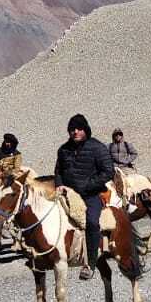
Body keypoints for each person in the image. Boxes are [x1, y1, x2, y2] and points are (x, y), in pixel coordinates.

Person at [55, 114, 115, 280]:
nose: (75, 132)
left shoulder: (97, 147)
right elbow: (58, 171)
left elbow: (108, 171)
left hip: (91, 194)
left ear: (85, 130)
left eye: (79, 129)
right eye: (72, 129)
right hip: (67, 194)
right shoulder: (63, 149)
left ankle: (91, 263)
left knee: (92, 222)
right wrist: (59, 184)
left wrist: (89, 185)